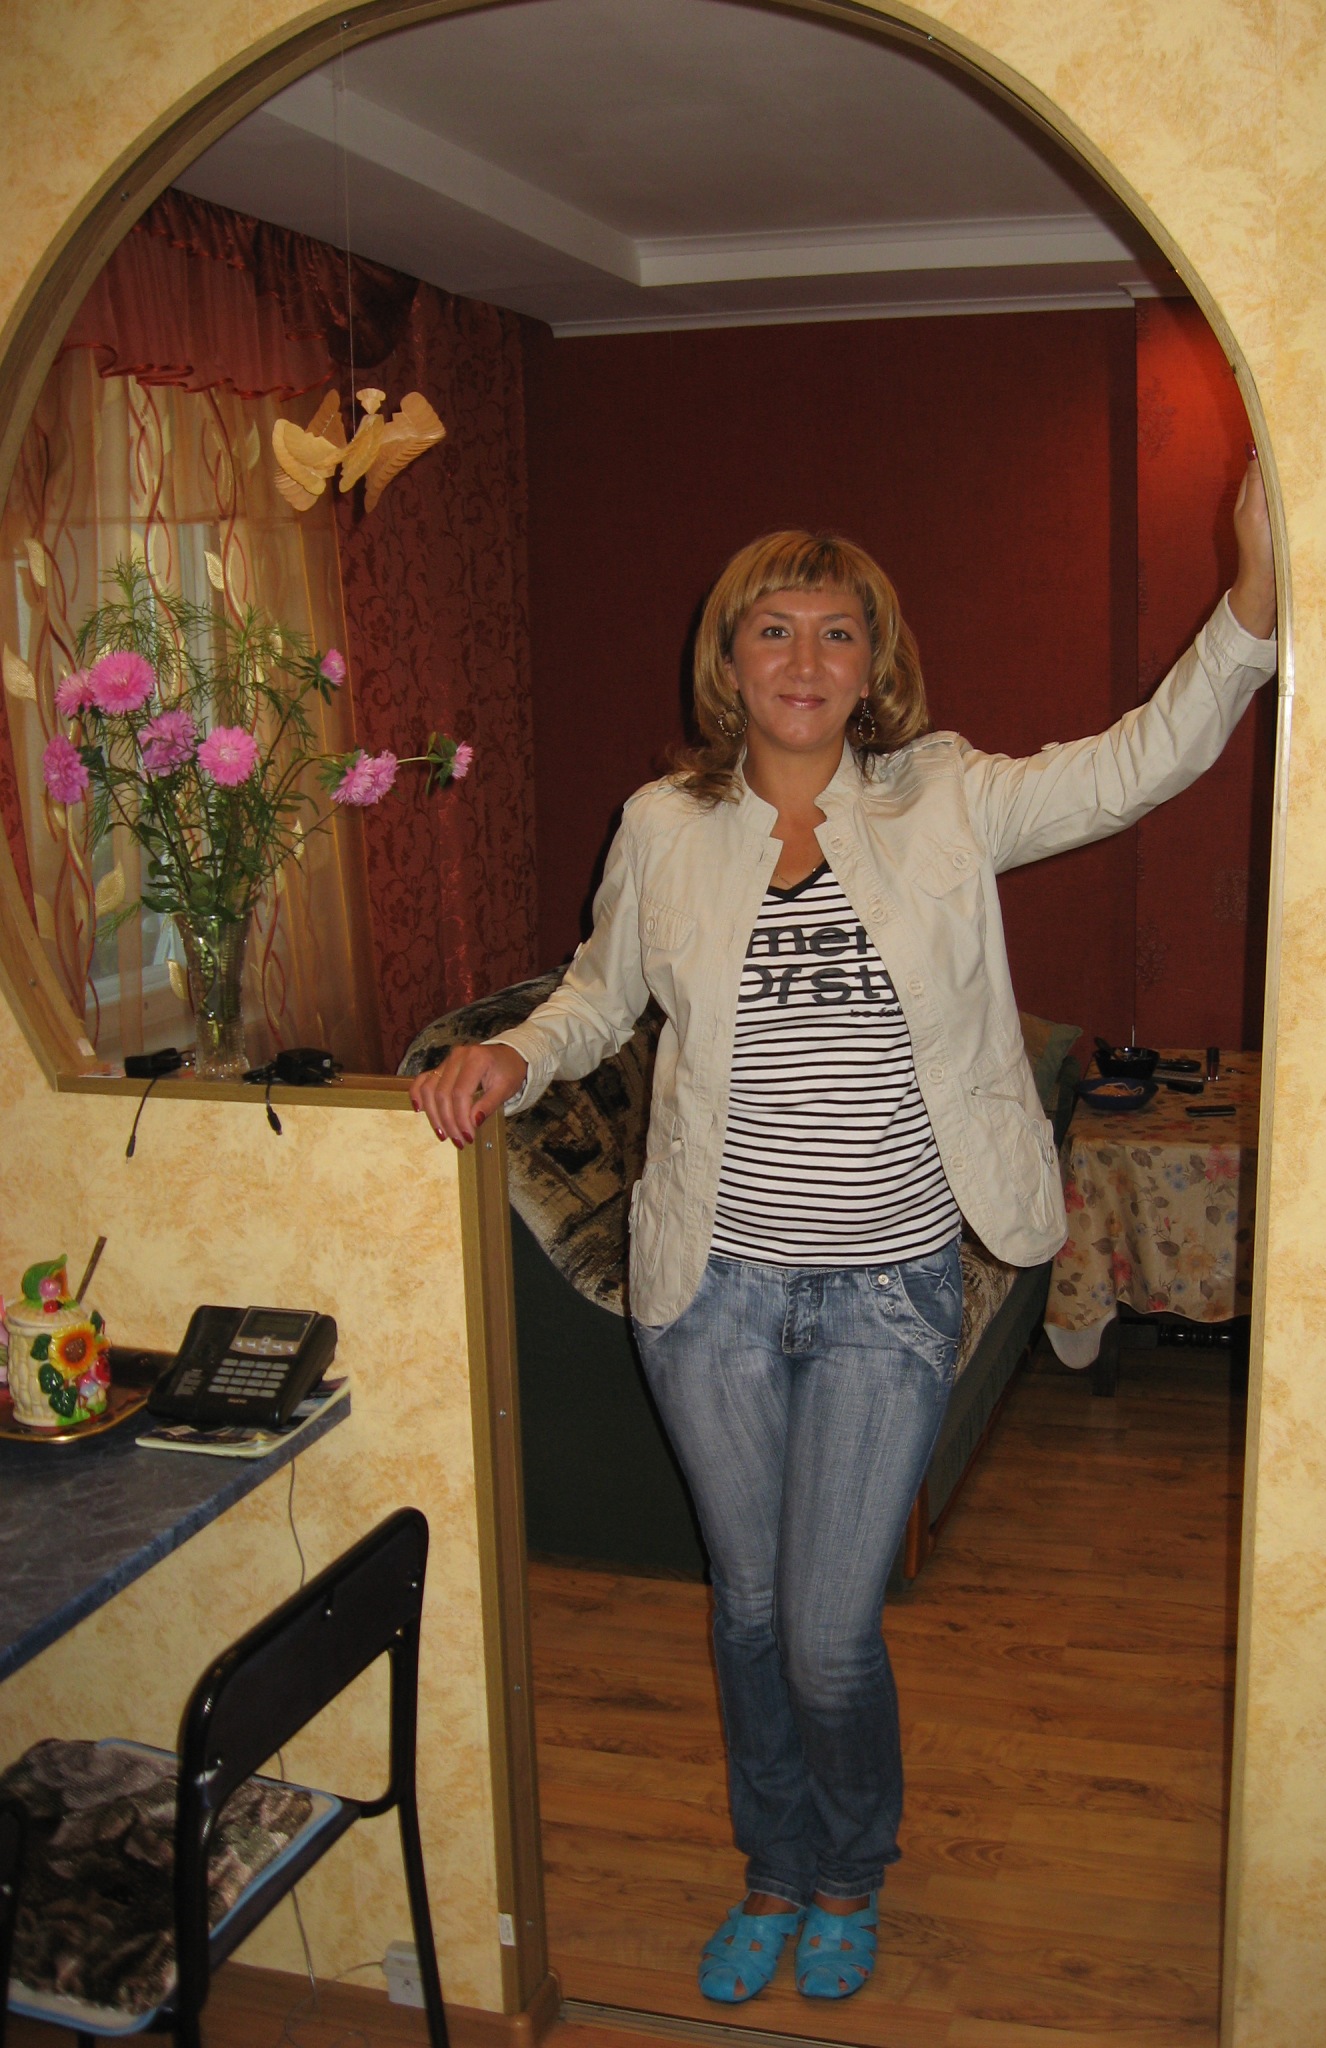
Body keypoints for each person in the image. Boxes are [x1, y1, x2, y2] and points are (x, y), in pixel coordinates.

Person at [412, 462, 1278, 2005]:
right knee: (746, 1612)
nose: (803, 660)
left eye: (835, 632)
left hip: (888, 1289)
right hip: (713, 1294)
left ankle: (849, 1868)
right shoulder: (665, 825)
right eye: (773, 630)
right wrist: (512, 1055)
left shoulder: (942, 799)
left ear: (875, 664)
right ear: (728, 660)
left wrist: (1253, 597)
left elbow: (1138, 763)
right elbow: (599, 995)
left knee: (824, 1634)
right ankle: (774, 1867)